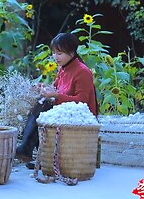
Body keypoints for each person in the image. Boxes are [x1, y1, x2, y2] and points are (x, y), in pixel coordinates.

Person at [16, 33, 98, 168]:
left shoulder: (82, 71)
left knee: (45, 104)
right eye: (54, 53)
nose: (55, 57)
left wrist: (55, 95)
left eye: (59, 53)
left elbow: (82, 101)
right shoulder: (63, 68)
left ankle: (27, 148)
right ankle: (37, 153)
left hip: (81, 115)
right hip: (65, 110)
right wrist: (42, 88)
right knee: (43, 102)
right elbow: (56, 88)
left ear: (72, 53)